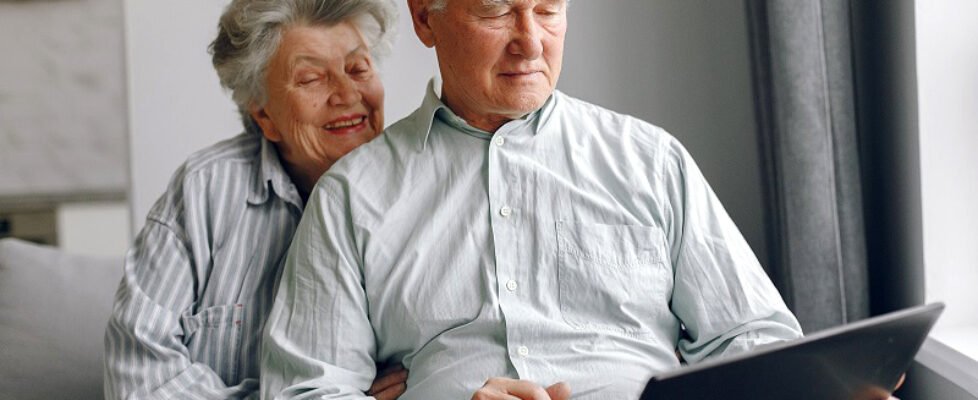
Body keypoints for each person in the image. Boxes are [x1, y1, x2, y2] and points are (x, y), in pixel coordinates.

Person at [260, 0, 893, 399]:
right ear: (426, 16)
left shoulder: (651, 161)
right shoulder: (352, 197)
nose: (531, 41)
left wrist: (825, 388)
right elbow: (305, 389)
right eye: (497, 11)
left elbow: (750, 337)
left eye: (547, 9)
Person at [102, 1, 408, 398]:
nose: (347, 94)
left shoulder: (423, 192)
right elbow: (138, 379)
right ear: (263, 115)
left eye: (358, 68)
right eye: (312, 78)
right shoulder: (203, 191)